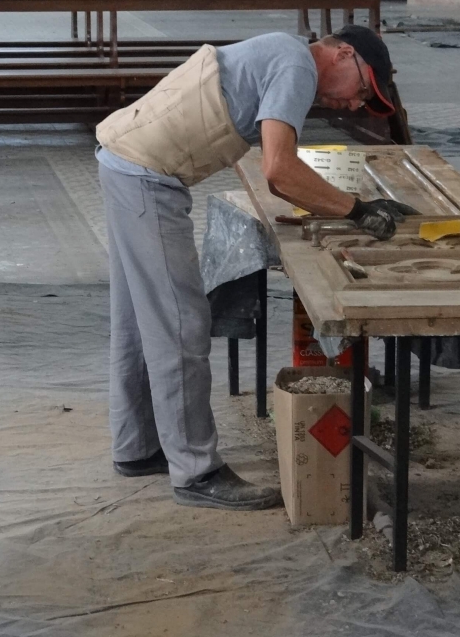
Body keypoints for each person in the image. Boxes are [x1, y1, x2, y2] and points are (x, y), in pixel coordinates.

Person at [95, 25, 417, 511]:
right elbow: (280, 171)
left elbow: (277, 167)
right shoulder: (296, 63)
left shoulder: (282, 53)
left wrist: (349, 204)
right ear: (343, 54)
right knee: (180, 327)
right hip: (145, 180)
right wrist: (356, 211)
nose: (354, 106)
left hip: (124, 163)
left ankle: (137, 448)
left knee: (140, 325)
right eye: (363, 91)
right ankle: (196, 472)